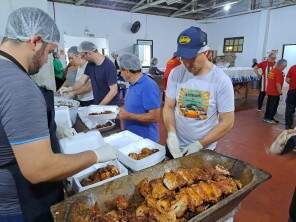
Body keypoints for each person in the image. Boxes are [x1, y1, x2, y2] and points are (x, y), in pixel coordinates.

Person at [0, 8, 117, 222]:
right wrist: (96, 155)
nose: (47, 60)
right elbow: (39, 169)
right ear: (35, 41)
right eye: (49, 51)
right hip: (19, 205)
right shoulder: (18, 85)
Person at [163, 26, 235, 158]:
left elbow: (227, 122)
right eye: (183, 58)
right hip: (176, 145)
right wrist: (171, 134)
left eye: (192, 58)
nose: (187, 64)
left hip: (203, 149)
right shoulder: (176, 73)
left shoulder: (221, 81)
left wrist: (200, 144)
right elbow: (168, 106)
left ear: (206, 53)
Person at [118, 54, 161, 142]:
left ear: (127, 71)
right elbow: (133, 106)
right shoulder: (132, 84)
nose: (120, 74)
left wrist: (128, 116)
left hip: (145, 140)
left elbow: (155, 116)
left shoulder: (148, 86)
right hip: (131, 136)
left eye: (121, 71)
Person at [63, 41, 119, 105]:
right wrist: (69, 89)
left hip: (109, 105)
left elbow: (113, 91)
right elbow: (81, 81)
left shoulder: (109, 66)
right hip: (97, 102)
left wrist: (100, 106)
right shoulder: (90, 65)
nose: (83, 59)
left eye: (83, 56)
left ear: (89, 53)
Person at [263, 59, 287, 124]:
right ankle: (269, 118)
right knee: (273, 106)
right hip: (275, 93)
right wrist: (280, 93)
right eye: (284, 66)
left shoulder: (272, 70)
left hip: (269, 91)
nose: (284, 68)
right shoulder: (278, 72)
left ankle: (267, 117)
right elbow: (278, 84)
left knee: (269, 105)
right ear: (281, 65)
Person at [285, 64, 296, 129]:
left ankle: (288, 125)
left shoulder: (293, 67)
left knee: (289, 108)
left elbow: (287, 80)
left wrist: (292, 84)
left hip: (292, 91)